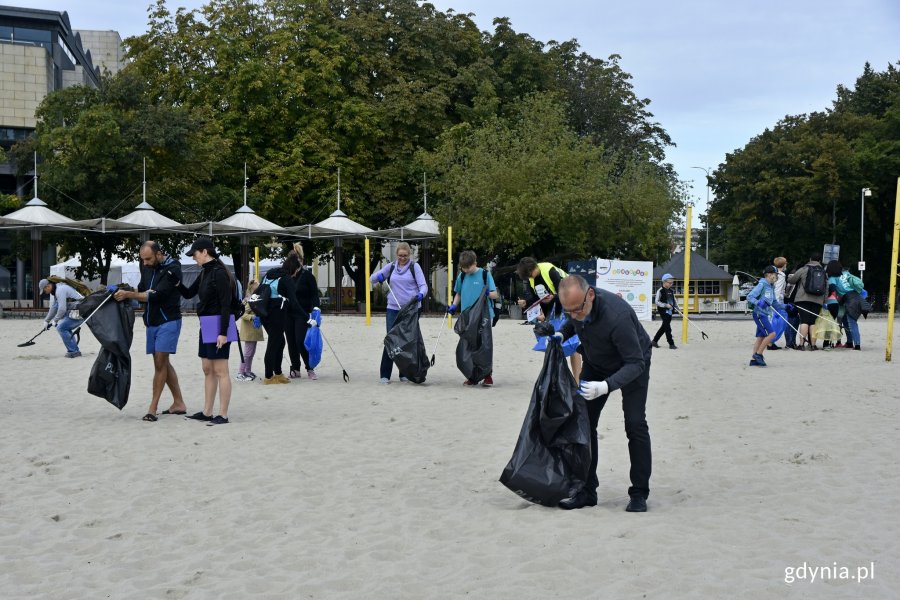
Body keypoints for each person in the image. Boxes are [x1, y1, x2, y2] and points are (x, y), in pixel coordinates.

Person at [552, 275, 653, 513]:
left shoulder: (617, 317)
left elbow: (635, 363)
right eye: (568, 311)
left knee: (635, 424)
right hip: (596, 362)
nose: (574, 315)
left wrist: (607, 386)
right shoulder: (576, 307)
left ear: (591, 295)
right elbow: (573, 321)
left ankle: (639, 493)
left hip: (633, 363)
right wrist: (561, 334)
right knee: (584, 424)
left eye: (577, 310)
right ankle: (587, 491)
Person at [112, 241, 186, 421]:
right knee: (163, 363)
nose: (144, 263)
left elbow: (156, 294)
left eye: (148, 259)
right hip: (151, 322)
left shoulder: (173, 268)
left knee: (160, 363)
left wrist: (131, 295)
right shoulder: (147, 267)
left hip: (169, 320)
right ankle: (179, 403)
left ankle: (152, 408)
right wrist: (126, 291)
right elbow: (144, 291)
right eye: (142, 259)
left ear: (159, 254)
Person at [174, 237, 235, 425]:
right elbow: (188, 293)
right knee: (207, 368)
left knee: (220, 370)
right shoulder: (205, 272)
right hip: (207, 323)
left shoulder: (220, 273)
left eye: (195, 254)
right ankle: (207, 411)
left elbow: (227, 305)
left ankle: (223, 414)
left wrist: (223, 332)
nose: (193, 258)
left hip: (220, 324)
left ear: (205, 252)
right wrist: (175, 282)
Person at [370, 241, 428, 384]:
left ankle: (404, 373)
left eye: (405, 255)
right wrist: (380, 277)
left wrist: (421, 294)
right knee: (391, 339)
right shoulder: (391, 267)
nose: (402, 258)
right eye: (400, 255)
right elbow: (372, 279)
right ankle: (385, 374)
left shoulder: (415, 267)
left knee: (406, 341)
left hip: (411, 309)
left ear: (410, 255)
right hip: (393, 308)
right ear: (396, 255)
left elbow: (424, 286)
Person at [447, 250, 499, 386]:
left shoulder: (484, 274)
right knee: (468, 346)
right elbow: (458, 293)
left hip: (483, 316)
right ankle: (472, 375)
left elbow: (495, 294)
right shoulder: (462, 276)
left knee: (484, 345)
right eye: (463, 268)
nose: (466, 270)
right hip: (467, 316)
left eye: (468, 267)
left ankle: (487, 375)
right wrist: (453, 306)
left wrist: (488, 293)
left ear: (475, 263)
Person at [258, 253, 306, 385]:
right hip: (276, 315)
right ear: (294, 268)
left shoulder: (271, 273)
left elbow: (260, 289)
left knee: (280, 342)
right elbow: (294, 303)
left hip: (264, 313)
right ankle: (268, 377)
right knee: (274, 343)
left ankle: (278, 373)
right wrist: (307, 318)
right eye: (297, 270)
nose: (297, 273)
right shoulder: (286, 279)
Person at [286, 244, 321, 380]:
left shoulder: (307, 276)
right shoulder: (287, 276)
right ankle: (295, 368)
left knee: (300, 340)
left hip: (303, 313)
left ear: (300, 260)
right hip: (288, 313)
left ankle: (309, 367)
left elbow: (314, 295)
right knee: (291, 342)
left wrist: (316, 309)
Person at [745, 265, 788, 367]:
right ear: (769, 275)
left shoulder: (771, 286)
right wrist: (759, 303)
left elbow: (774, 303)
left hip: (764, 314)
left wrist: (786, 307)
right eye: (775, 274)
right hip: (759, 314)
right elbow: (750, 296)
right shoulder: (762, 284)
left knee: (761, 337)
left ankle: (753, 360)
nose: (777, 277)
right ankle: (758, 355)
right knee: (772, 334)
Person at [786, 253, 827, 350]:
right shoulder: (823, 272)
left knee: (804, 321)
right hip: (818, 300)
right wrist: (824, 300)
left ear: (810, 259)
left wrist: (788, 277)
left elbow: (792, 280)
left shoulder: (804, 269)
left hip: (803, 299)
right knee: (813, 322)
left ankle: (801, 345)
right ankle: (813, 345)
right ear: (820, 261)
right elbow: (826, 287)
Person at [39, 277, 84, 358]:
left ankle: (74, 351)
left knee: (61, 327)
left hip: (80, 311)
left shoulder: (60, 290)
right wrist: (46, 321)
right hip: (75, 310)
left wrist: (55, 320)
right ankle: (74, 350)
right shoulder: (57, 289)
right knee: (64, 327)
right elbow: (55, 307)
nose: (45, 292)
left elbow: (62, 309)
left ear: (48, 286)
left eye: (44, 290)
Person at [825, 260, 865, 350]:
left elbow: (832, 289)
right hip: (856, 298)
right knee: (847, 321)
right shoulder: (848, 275)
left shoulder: (833, 278)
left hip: (847, 300)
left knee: (849, 322)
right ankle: (850, 342)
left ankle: (857, 345)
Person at [236, 279, 265, 381]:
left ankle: (247, 371)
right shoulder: (248, 300)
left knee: (251, 352)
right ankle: (240, 372)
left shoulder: (256, 299)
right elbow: (242, 314)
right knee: (247, 353)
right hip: (249, 331)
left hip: (255, 330)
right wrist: (252, 317)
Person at [651, 273, 678, 349]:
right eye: (670, 282)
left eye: (672, 282)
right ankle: (671, 344)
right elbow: (657, 302)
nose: (671, 284)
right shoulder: (660, 291)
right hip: (663, 311)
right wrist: (666, 305)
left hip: (670, 311)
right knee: (668, 328)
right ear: (664, 282)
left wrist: (678, 309)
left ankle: (654, 341)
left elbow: (674, 300)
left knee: (664, 327)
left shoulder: (671, 291)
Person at [768, 256, 788, 350]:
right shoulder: (781, 275)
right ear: (783, 264)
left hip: (770, 299)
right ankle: (770, 341)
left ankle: (769, 340)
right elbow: (777, 290)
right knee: (780, 321)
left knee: (772, 320)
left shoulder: (772, 274)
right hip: (777, 301)